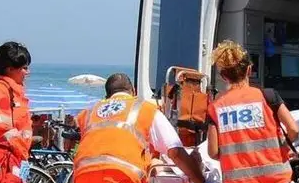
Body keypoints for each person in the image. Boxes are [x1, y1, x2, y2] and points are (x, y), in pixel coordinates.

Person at [73, 73, 205, 183]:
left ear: (107, 96)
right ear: (134, 91)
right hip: (123, 177)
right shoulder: (144, 109)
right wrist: (199, 179)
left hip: (83, 176)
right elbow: (175, 151)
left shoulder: (90, 112)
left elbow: (73, 134)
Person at [207, 40, 299, 183]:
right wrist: (283, 146)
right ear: (249, 70)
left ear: (223, 76)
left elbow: (213, 152)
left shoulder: (216, 108)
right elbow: (293, 129)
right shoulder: (267, 96)